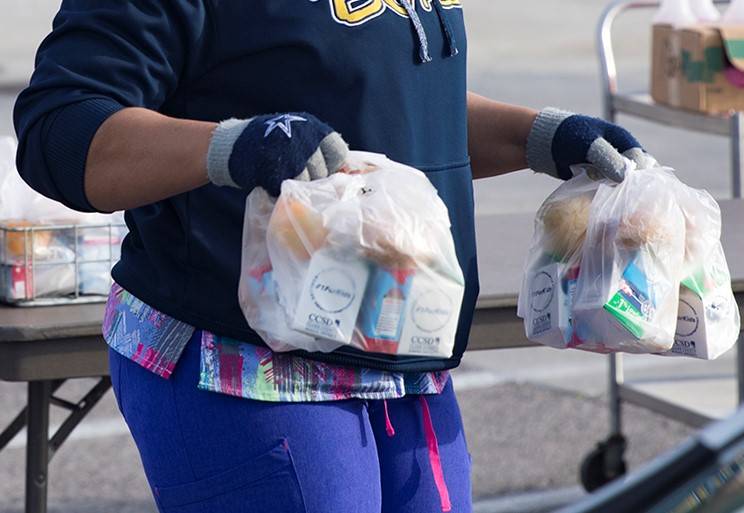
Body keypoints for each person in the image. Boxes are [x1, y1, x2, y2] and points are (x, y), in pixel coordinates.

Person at [13, 2, 657, 512]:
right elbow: (61, 131)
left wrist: (536, 136)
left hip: (401, 346)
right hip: (242, 363)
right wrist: (230, 146)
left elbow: (379, 113)